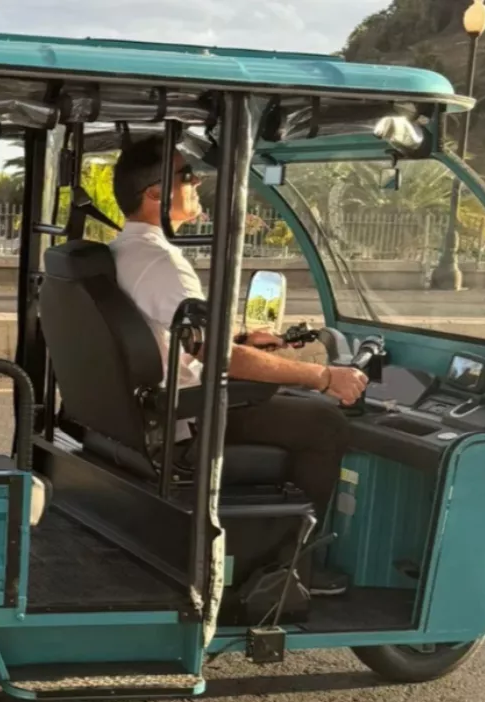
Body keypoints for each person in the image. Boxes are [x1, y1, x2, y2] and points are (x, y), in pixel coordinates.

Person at [108, 134, 367, 595]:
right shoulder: (161, 262)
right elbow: (218, 357)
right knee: (325, 423)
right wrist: (325, 376)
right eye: (187, 176)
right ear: (155, 194)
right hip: (183, 419)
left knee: (284, 397)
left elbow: (183, 338)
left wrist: (241, 342)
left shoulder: (123, 252)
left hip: (150, 410)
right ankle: (289, 571)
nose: (197, 183)